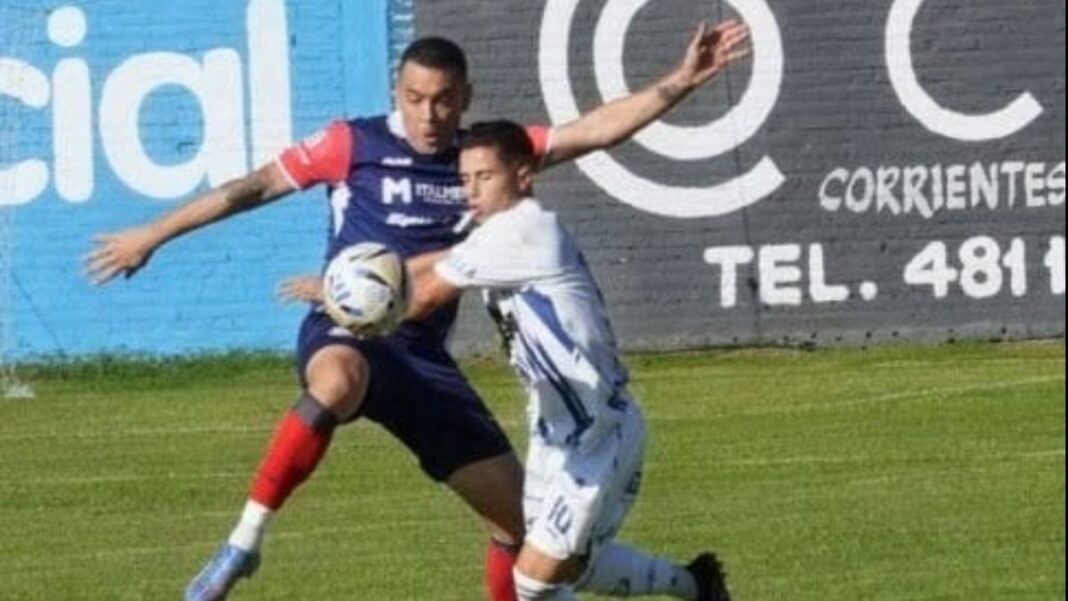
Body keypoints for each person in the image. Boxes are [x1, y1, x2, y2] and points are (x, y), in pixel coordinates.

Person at [85, 22, 750, 601]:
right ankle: (243, 541)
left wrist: (681, 80)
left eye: (442, 100)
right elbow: (253, 186)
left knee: (520, 531)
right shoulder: (352, 143)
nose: (428, 114)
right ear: (396, 92)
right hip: (348, 329)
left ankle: (692, 584)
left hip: (422, 356)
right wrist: (154, 234)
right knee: (337, 379)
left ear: (465, 97)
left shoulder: (483, 161)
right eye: (413, 98)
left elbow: (595, 130)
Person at [401, 120, 733, 600]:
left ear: (523, 175)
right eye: (465, 179)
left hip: (597, 429)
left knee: (532, 579)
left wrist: (357, 306)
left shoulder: (522, 232)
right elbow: (438, 264)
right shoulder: (494, 235)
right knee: (572, 569)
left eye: (485, 177)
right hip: (554, 431)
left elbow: (426, 295)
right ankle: (697, 584)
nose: (471, 190)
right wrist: (344, 285)